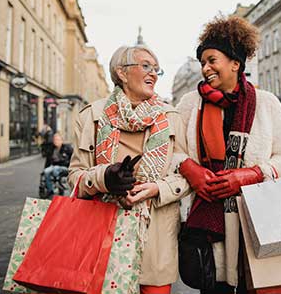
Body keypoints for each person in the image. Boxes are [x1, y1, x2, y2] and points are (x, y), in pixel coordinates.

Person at [176, 15, 281, 294]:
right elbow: (172, 150)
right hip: (208, 228)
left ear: (235, 63)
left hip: (256, 222)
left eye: (212, 60)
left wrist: (253, 174)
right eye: (202, 63)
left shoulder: (266, 103)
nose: (205, 68)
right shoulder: (189, 104)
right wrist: (189, 168)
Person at [68, 45, 190, 294]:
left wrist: (157, 188)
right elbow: (75, 176)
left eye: (157, 69)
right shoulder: (91, 116)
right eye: (146, 66)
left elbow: (186, 174)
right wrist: (105, 178)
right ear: (121, 73)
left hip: (156, 239)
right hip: (102, 235)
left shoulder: (171, 117)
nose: (153, 74)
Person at [43, 132, 73, 197]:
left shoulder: (67, 148)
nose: (56, 141)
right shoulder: (51, 149)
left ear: (61, 140)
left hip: (64, 167)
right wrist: (45, 168)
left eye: (57, 139)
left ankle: (58, 184)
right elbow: (48, 160)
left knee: (56, 169)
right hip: (53, 166)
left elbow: (72, 159)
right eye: (55, 139)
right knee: (46, 171)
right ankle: (50, 190)